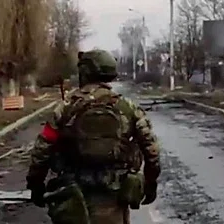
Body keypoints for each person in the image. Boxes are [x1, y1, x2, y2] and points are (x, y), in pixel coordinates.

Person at [26, 49, 161, 224]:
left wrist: (35, 184)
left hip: (73, 195)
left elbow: (43, 148)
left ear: (85, 72)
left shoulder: (66, 107)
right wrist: (151, 183)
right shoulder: (127, 107)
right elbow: (151, 149)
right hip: (114, 195)